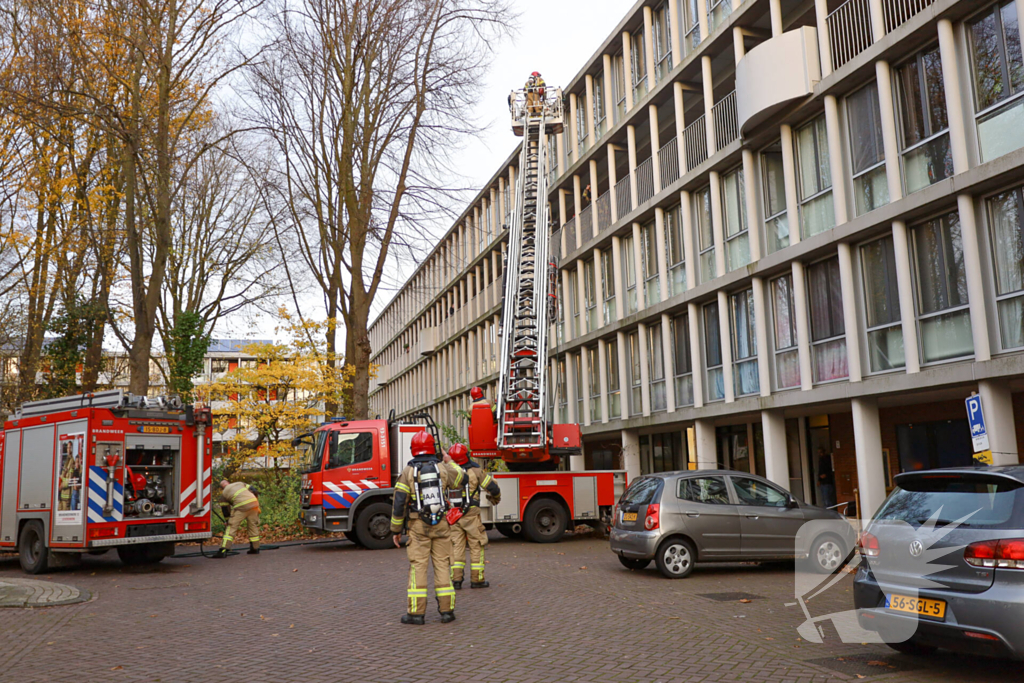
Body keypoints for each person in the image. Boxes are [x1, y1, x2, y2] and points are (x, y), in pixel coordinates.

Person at [390, 430, 466, 625]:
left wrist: (396, 530)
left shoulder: (408, 472)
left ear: (413, 449)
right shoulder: (442, 468)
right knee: (442, 566)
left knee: (418, 567)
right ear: (433, 448)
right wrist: (449, 461)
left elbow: (399, 502)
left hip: (418, 527)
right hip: (442, 525)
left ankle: (416, 614)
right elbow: (462, 478)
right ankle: (447, 612)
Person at [446, 443, 501, 590]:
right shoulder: (475, 471)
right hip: (471, 515)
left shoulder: (446, 472)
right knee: (476, 545)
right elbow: (493, 488)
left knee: (456, 547)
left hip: (454, 515)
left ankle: (456, 580)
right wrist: (495, 499)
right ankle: (477, 580)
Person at [213, 480, 261, 558]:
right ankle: (255, 548)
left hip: (241, 507)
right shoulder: (240, 483)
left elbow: (225, 509)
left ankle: (223, 550)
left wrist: (228, 521)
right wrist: (255, 501)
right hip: (254, 504)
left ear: (222, 488)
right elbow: (254, 490)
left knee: (231, 527)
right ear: (229, 483)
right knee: (253, 526)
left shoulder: (223, 494)